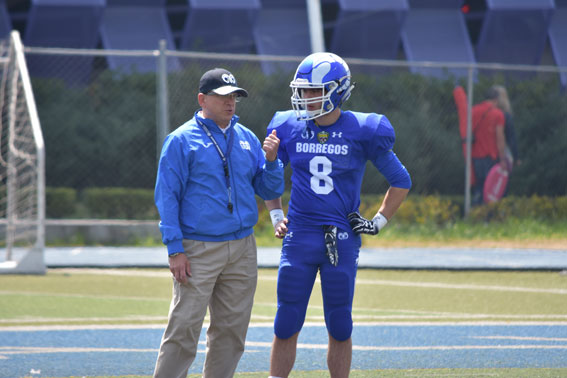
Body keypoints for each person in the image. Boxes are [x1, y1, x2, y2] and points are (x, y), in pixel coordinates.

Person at [263, 52, 411, 378]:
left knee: (340, 323)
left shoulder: (363, 129)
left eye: (315, 90)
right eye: (303, 90)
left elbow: (401, 181)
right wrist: (276, 214)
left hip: (340, 238)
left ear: (338, 90)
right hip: (299, 234)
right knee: (286, 320)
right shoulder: (287, 125)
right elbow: (268, 179)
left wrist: (377, 221)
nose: (306, 97)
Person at [153, 68, 285, 378]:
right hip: (198, 247)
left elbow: (268, 190)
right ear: (202, 99)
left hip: (242, 247)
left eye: (235, 96)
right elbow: (167, 197)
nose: (231, 103)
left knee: (232, 332)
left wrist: (272, 162)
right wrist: (175, 248)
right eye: (223, 96)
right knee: (184, 328)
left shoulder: (247, 138)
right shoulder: (181, 140)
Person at [470, 86, 508, 206]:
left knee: (479, 186)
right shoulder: (498, 114)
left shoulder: (473, 110)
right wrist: (502, 158)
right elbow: (500, 138)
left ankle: (475, 211)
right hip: (491, 157)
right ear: (496, 99)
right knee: (490, 189)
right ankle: (487, 215)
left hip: (475, 155)